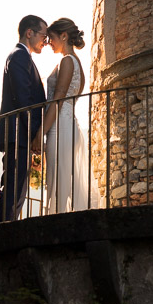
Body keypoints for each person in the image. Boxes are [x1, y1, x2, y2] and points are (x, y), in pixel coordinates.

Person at [39, 17, 100, 214]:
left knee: (57, 182)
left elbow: (58, 100)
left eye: (51, 38)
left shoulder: (67, 61)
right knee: (62, 182)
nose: (49, 43)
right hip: (68, 126)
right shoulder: (78, 65)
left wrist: (41, 132)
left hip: (59, 128)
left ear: (64, 36)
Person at [0, 14, 47, 222]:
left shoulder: (24, 57)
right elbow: (23, 100)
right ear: (29, 33)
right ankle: (0, 234)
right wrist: (35, 135)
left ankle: (6, 229)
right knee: (12, 190)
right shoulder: (19, 56)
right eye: (43, 35)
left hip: (21, 134)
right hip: (18, 134)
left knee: (17, 191)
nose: (45, 40)